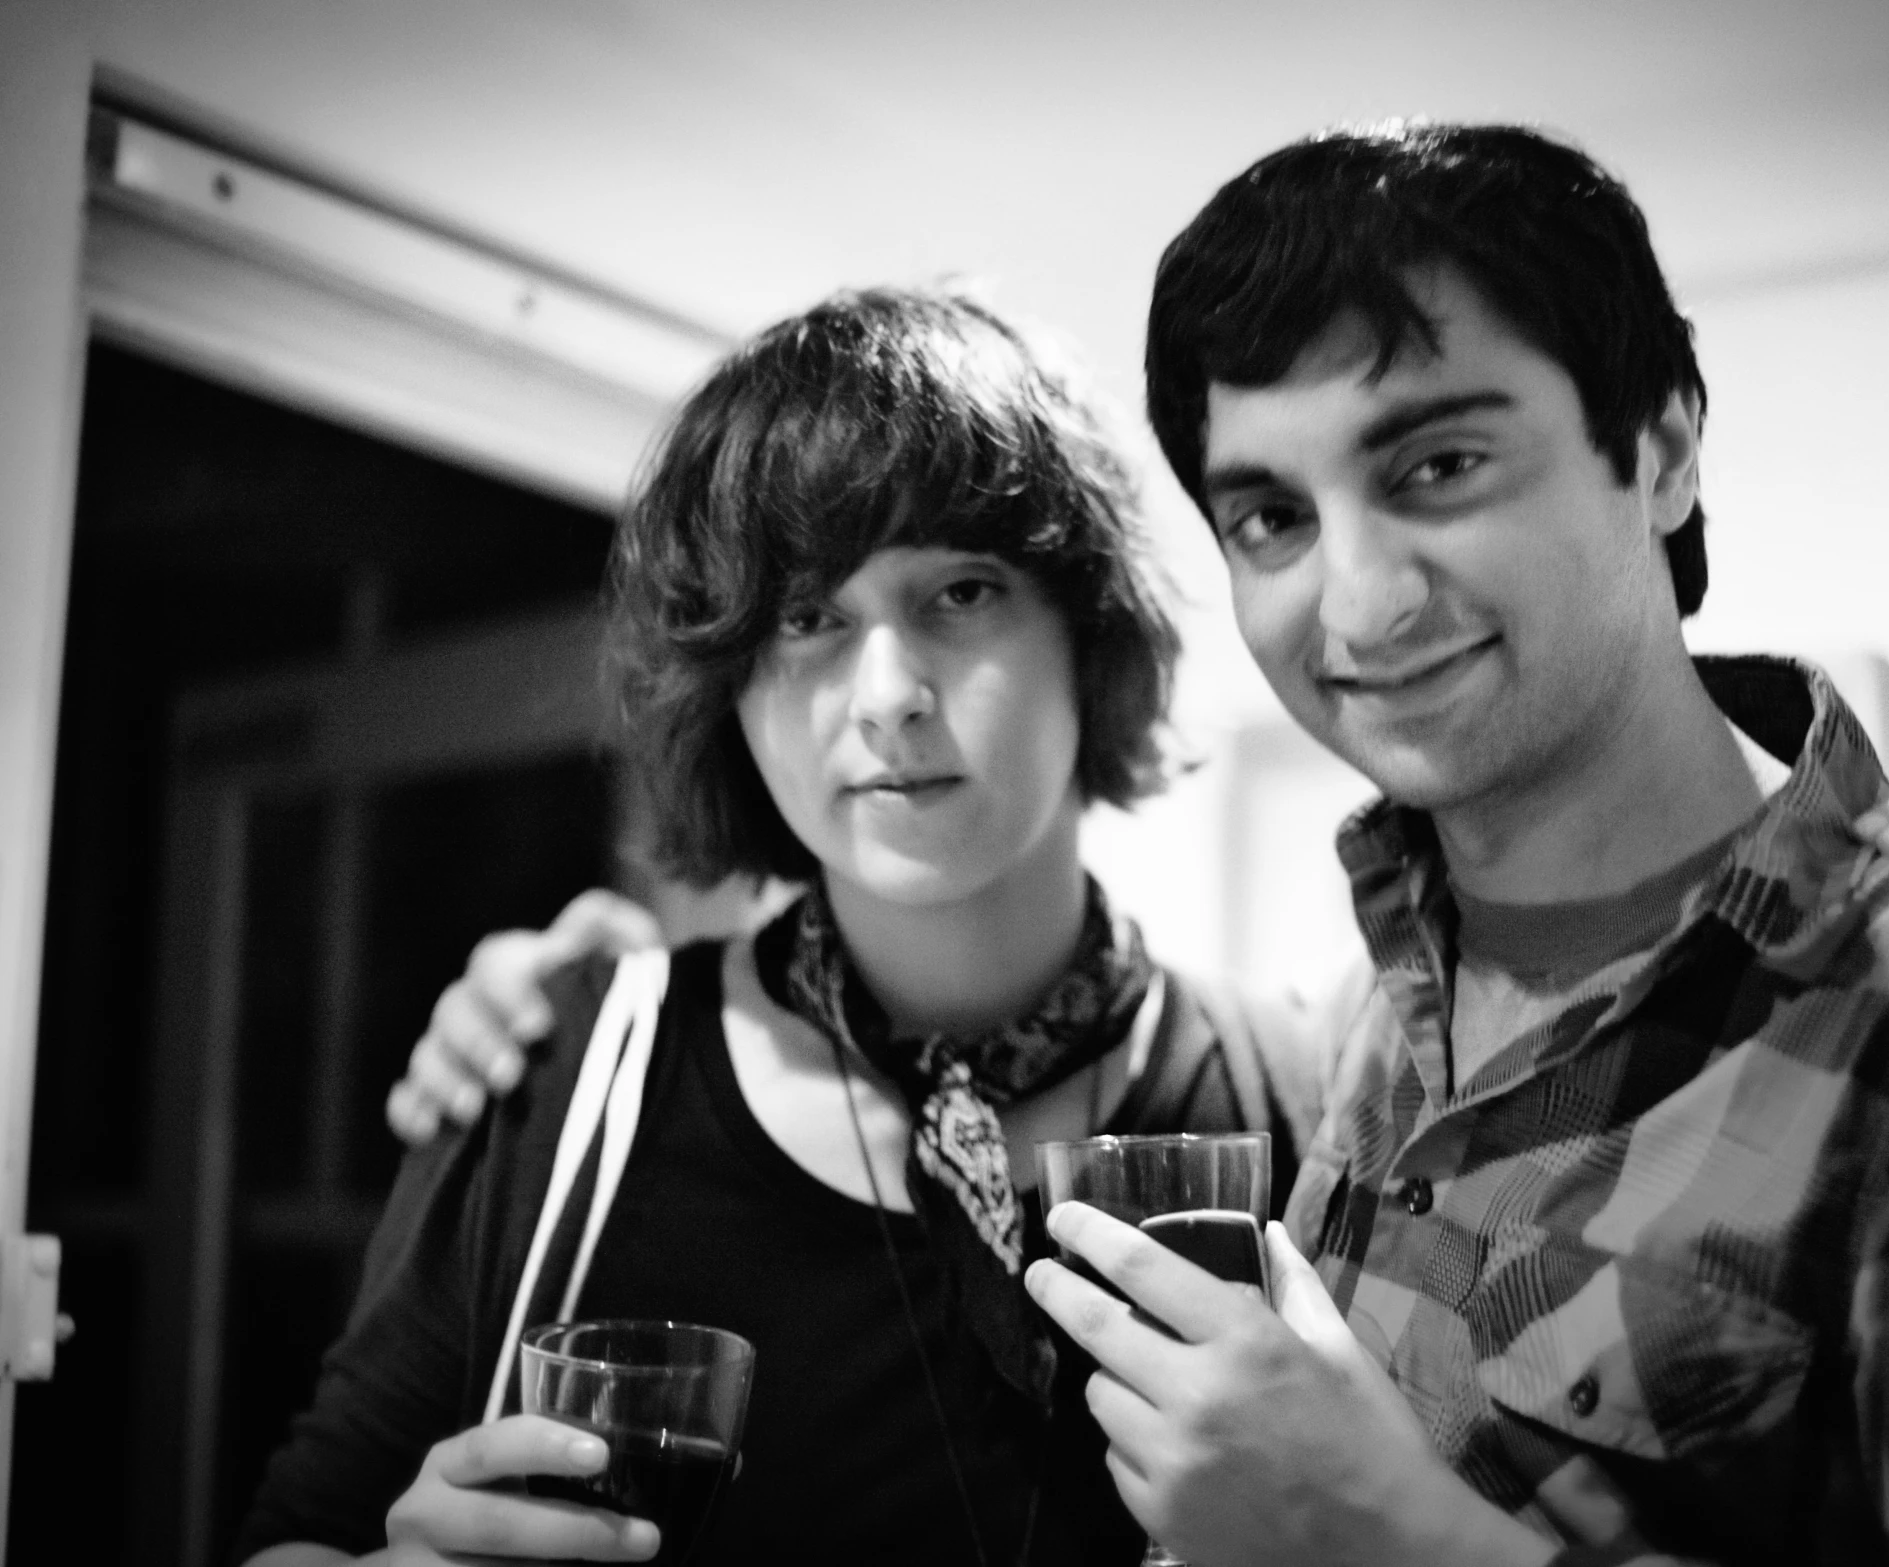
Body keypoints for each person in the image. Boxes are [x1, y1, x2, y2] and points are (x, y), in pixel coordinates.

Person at [1008, 122, 1889, 1566]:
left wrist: (1380, 1537)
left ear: (1662, 452)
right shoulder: (1399, 991)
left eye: (1436, 463)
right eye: (1270, 517)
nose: (1357, 603)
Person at [235, 287, 1320, 1567]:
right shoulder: (575, 1070)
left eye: (962, 593)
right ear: (730, 690)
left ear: (1087, 638)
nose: (887, 697)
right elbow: (300, 1530)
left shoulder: (1291, 1097)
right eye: (807, 618)